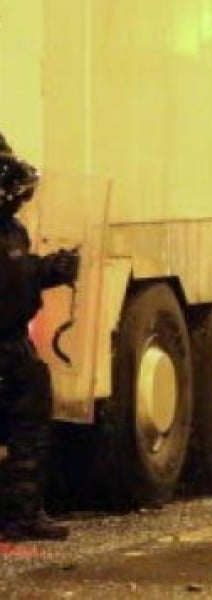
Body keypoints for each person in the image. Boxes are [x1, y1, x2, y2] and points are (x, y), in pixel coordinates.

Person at [0, 135, 79, 541]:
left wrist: (51, 269)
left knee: (28, 427)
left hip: (12, 344)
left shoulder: (12, 230)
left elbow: (17, 278)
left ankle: (21, 513)